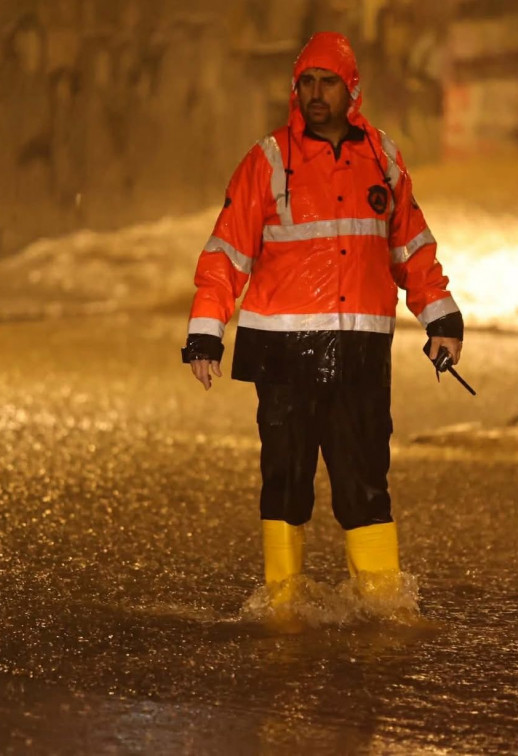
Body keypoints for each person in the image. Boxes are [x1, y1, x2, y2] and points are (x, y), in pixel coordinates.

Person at [180, 31, 463, 615]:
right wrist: (206, 328)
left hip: (359, 352)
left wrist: (441, 317)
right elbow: (226, 254)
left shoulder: (383, 158)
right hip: (281, 355)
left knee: (365, 482)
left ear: (350, 89)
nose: (315, 94)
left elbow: (411, 246)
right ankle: (282, 605)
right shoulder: (267, 162)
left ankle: (384, 604)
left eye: (327, 82)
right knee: (284, 482)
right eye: (306, 82)